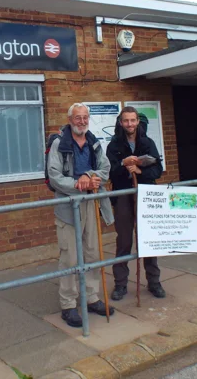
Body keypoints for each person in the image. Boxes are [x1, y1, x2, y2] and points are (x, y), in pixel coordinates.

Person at [47, 103, 115, 327]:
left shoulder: (94, 142)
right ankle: (68, 304)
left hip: (91, 203)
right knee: (70, 257)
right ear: (70, 120)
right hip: (68, 205)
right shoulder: (59, 143)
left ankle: (91, 297)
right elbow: (54, 176)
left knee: (92, 252)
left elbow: (105, 170)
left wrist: (89, 175)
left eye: (85, 117)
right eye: (78, 117)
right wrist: (78, 183)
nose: (82, 121)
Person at [106, 106, 165, 301]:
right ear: (121, 122)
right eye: (126, 121)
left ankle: (154, 282)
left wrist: (140, 172)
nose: (129, 124)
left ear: (137, 122)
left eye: (132, 120)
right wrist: (123, 165)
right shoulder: (113, 145)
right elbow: (109, 172)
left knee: (148, 239)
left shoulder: (147, 142)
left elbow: (158, 170)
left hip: (146, 195)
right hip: (123, 195)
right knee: (124, 240)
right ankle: (120, 284)